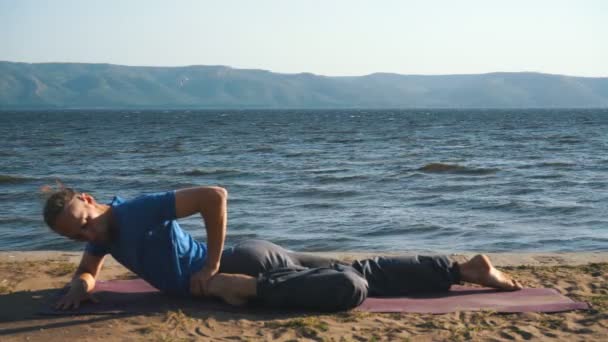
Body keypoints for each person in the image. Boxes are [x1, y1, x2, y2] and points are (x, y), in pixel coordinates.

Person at [43, 186, 522, 312]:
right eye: (75, 236)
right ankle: (461, 269)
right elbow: (89, 269)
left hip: (241, 268)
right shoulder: (106, 234)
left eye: (83, 224)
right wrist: (79, 286)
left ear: (89, 200)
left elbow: (215, 196)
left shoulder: (137, 211)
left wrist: (212, 268)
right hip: (258, 255)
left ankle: (244, 290)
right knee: (360, 270)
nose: (86, 237)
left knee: (350, 287)